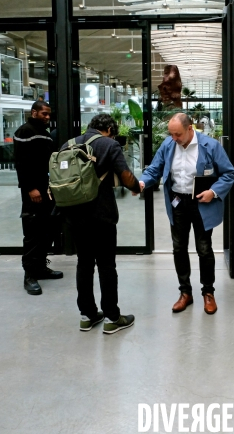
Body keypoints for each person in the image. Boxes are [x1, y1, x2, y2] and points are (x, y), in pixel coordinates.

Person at [138, 113, 234, 314]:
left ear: (190, 128)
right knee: (179, 248)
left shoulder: (210, 146)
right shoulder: (168, 145)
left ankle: (208, 292)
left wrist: (213, 192)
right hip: (178, 202)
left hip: (202, 202)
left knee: (204, 248)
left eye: (178, 134)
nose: (174, 138)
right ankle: (185, 293)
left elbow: (229, 173)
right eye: (171, 134)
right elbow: (154, 169)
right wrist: (141, 183)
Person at [61, 113, 141, 334]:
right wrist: (137, 188)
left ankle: (87, 315)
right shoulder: (109, 145)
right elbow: (125, 176)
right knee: (106, 265)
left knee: (84, 263)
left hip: (74, 215)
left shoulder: (68, 144)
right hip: (101, 215)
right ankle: (112, 318)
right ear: (109, 130)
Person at [14, 100, 63, 296]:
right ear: (34, 112)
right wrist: (30, 188)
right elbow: (21, 163)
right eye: (44, 114)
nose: (47, 117)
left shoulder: (44, 133)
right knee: (33, 233)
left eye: (49, 114)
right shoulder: (25, 131)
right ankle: (29, 275)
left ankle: (41, 267)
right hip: (33, 192)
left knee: (47, 229)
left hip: (47, 190)